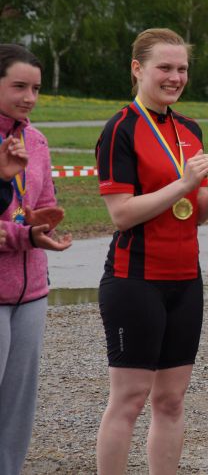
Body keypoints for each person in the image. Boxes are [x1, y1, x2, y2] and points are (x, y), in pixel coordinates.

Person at [94, 28, 208, 475]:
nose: (175, 77)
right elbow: (122, 214)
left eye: (182, 69)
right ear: (137, 69)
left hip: (185, 280)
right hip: (135, 280)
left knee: (170, 400)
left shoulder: (189, 129)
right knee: (130, 399)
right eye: (164, 67)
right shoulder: (120, 129)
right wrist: (183, 182)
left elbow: (194, 213)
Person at [0, 44, 73, 475]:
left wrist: (44, 224)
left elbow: (43, 202)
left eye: (37, 89)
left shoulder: (37, 140)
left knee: (17, 407)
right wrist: (24, 235)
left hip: (32, 293)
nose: (29, 98)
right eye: (19, 87)